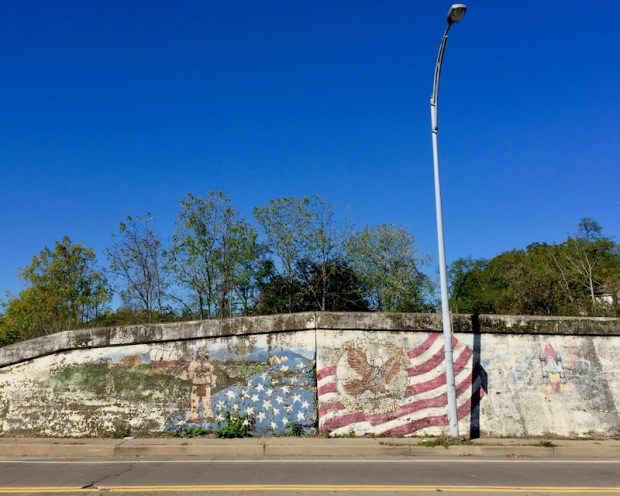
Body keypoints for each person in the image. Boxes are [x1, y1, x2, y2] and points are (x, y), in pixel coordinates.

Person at [187, 347, 216, 422]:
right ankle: (193, 417)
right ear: (198, 353)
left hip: (206, 384)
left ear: (206, 353)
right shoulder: (193, 363)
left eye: (204, 351)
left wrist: (212, 381)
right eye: (200, 351)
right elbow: (190, 374)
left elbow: (212, 372)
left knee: (207, 400)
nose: (202, 352)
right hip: (196, 385)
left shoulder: (209, 363)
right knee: (194, 401)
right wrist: (195, 372)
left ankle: (208, 416)